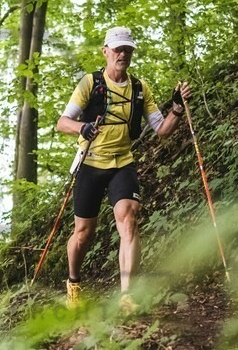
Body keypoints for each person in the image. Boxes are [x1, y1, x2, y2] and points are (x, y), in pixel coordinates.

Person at [56, 26, 192, 311]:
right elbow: (62, 122)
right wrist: (84, 126)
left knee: (128, 220)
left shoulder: (140, 88)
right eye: (118, 49)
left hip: (123, 163)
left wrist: (177, 108)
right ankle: (73, 283)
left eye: (127, 49)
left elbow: (162, 129)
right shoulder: (89, 83)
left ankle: (127, 296)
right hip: (90, 163)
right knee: (84, 232)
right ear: (105, 51)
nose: (123, 54)